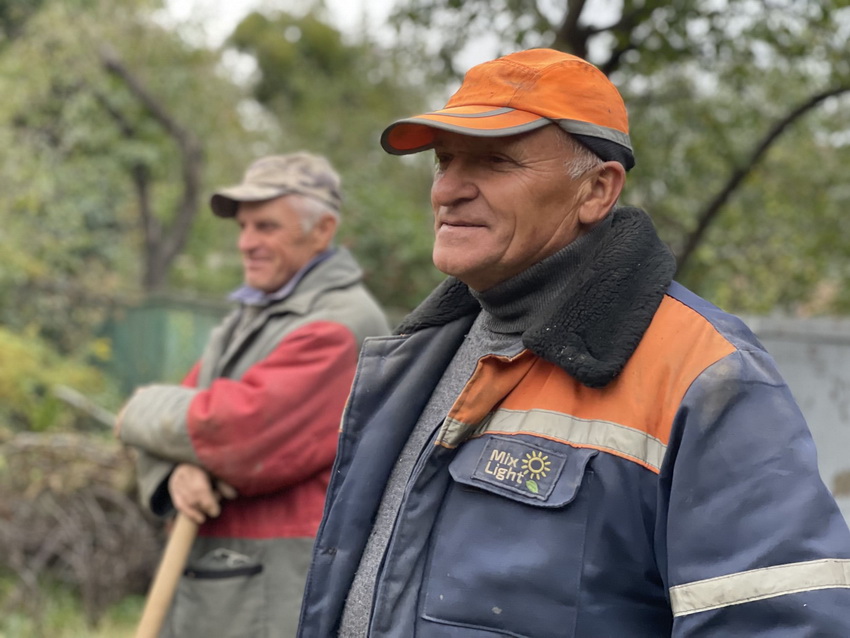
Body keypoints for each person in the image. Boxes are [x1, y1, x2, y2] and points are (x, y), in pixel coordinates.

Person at [296, 49, 850, 636]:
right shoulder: (415, 357)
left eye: (494, 163)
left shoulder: (707, 374)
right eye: (444, 162)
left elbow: (782, 623)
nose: (449, 190)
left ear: (596, 191)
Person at [115, 152, 390, 638]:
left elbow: (234, 432)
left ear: (322, 230)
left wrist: (137, 409)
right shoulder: (252, 315)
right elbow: (189, 421)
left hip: (274, 589)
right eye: (243, 227)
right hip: (220, 579)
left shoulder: (339, 324)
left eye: (266, 226)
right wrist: (176, 468)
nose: (246, 243)